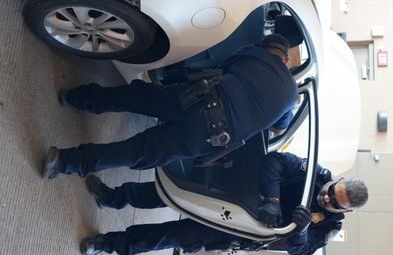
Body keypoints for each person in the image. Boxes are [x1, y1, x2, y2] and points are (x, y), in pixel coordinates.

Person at [42, 33, 297, 179]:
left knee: (135, 97)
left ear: (266, 47)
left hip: (197, 97)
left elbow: (224, 68)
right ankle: (63, 161)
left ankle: (75, 97)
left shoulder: (252, 52)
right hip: (210, 137)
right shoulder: (291, 93)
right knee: (136, 151)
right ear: (286, 60)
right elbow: (277, 129)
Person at [79, 152, 368, 255]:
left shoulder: (329, 227)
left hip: (241, 230)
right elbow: (275, 162)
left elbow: (301, 251)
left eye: (334, 203)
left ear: (344, 212)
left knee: (170, 236)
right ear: (338, 180)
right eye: (332, 191)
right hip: (239, 195)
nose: (326, 198)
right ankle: (111, 198)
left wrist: (302, 230)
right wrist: (274, 200)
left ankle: (109, 244)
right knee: (164, 193)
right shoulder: (318, 174)